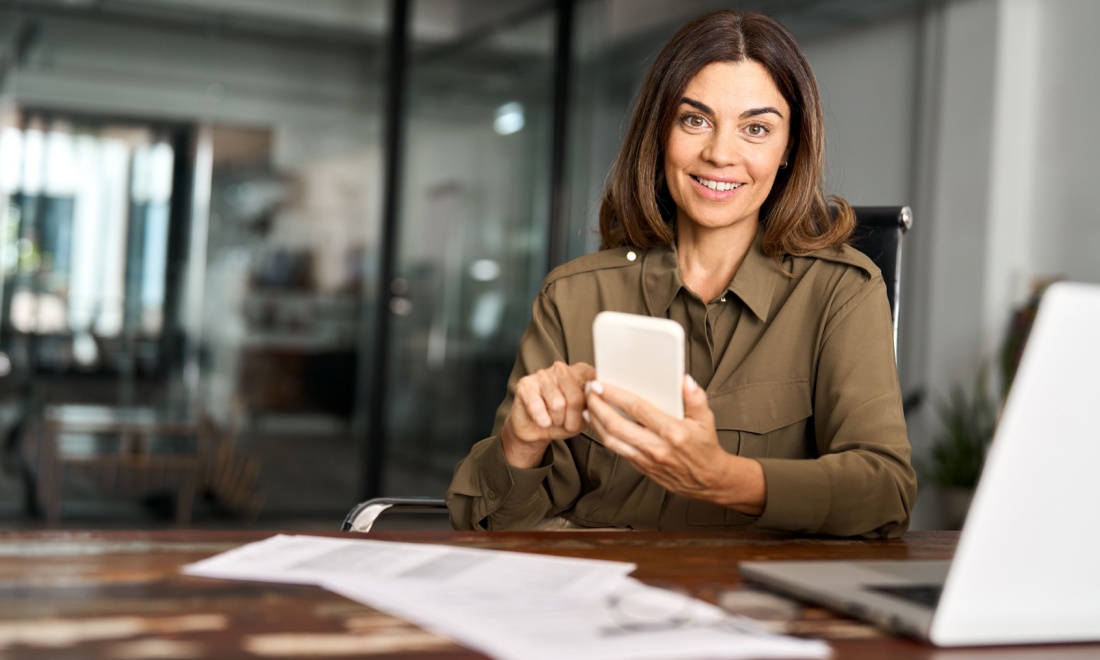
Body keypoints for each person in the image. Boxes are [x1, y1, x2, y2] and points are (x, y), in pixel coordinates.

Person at [447, 9, 916, 538]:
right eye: (694, 120)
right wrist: (523, 442)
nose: (719, 153)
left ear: (789, 150)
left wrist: (726, 479)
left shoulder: (840, 291)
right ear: (660, 133)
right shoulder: (574, 294)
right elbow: (484, 522)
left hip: (756, 600)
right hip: (597, 594)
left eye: (756, 129)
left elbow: (886, 493)